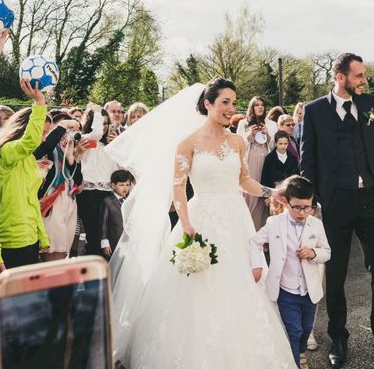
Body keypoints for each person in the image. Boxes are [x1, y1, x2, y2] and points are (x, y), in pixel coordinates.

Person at [106, 78, 297, 368]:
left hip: (235, 220)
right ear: (208, 104)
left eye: (234, 102)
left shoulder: (237, 142)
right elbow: (179, 187)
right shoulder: (187, 144)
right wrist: (185, 223)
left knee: (242, 284)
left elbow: (244, 180)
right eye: (225, 102)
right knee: (196, 289)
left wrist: (273, 192)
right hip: (201, 220)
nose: (231, 108)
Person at [300, 52, 374, 368]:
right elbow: (308, 161)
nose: (364, 80)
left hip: (372, 199)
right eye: (358, 75)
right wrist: (311, 203)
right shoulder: (315, 111)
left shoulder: (370, 105)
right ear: (340, 77)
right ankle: (338, 337)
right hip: (336, 203)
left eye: (364, 75)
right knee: (335, 273)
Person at [250, 176, 331, 369]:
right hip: (286, 290)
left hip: (309, 291)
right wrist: (257, 266)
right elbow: (254, 241)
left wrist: (313, 253)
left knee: (306, 329)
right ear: (286, 202)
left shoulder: (316, 224)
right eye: (297, 208)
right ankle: (294, 363)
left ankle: (301, 352)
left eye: (307, 207)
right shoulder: (274, 223)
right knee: (293, 331)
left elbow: (326, 251)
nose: (302, 212)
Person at [0, 80, 50, 268]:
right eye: (42, 132)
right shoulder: (6, 151)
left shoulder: (28, 158)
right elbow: (29, 142)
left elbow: (31, 201)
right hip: (13, 238)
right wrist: (39, 103)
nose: (43, 138)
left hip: (30, 236)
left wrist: (41, 236)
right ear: (24, 128)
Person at [36, 113, 86, 262]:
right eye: (64, 130)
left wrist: (72, 158)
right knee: (53, 252)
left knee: (65, 252)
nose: (65, 135)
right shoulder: (45, 150)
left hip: (69, 201)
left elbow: (78, 182)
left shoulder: (67, 150)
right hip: (51, 202)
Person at [77, 107, 119, 256]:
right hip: (89, 195)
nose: (104, 126)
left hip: (109, 194)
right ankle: (94, 273)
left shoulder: (110, 145)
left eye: (106, 123)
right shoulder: (85, 140)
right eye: (101, 122)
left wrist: (117, 147)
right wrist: (96, 113)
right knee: (94, 237)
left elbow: (119, 170)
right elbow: (97, 133)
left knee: (110, 237)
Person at [237, 96, 278, 230]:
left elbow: (274, 147)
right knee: (249, 193)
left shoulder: (271, 124)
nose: (260, 107)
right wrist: (249, 136)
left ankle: (261, 229)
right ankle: (247, 229)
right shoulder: (243, 123)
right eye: (257, 105)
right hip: (249, 161)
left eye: (262, 105)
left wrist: (268, 135)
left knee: (263, 192)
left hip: (265, 161)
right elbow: (238, 145)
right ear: (252, 108)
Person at [100, 169, 133, 259]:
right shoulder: (107, 201)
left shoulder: (130, 201)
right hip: (114, 241)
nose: (125, 188)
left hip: (128, 242)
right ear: (113, 185)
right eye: (121, 185)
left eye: (127, 185)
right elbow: (103, 224)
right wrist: (105, 243)